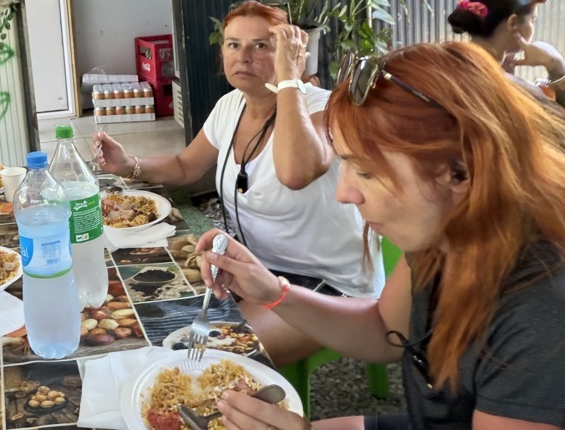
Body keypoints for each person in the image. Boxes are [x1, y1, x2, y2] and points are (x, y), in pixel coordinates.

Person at [198, 42, 565, 430]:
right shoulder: (442, 238)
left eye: (366, 172)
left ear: (462, 171)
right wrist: (274, 292)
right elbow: (384, 329)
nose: (344, 193)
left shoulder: (541, 314)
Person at [94, 0, 382, 365]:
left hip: (325, 283)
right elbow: (185, 166)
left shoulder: (325, 109)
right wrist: (128, 164)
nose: (243, 56)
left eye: (261, 45)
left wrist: (289, 80)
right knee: (145, 323)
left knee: (207, 360)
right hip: (254, 268)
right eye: (233, 44)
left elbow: (295, 173)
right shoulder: (231, 105)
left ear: (289, 53)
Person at [448, 0, 565, 109]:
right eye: (532, 20)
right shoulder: (516, 91)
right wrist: (556, 65)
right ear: (512, 23)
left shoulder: (449, 65)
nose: (532, 27)